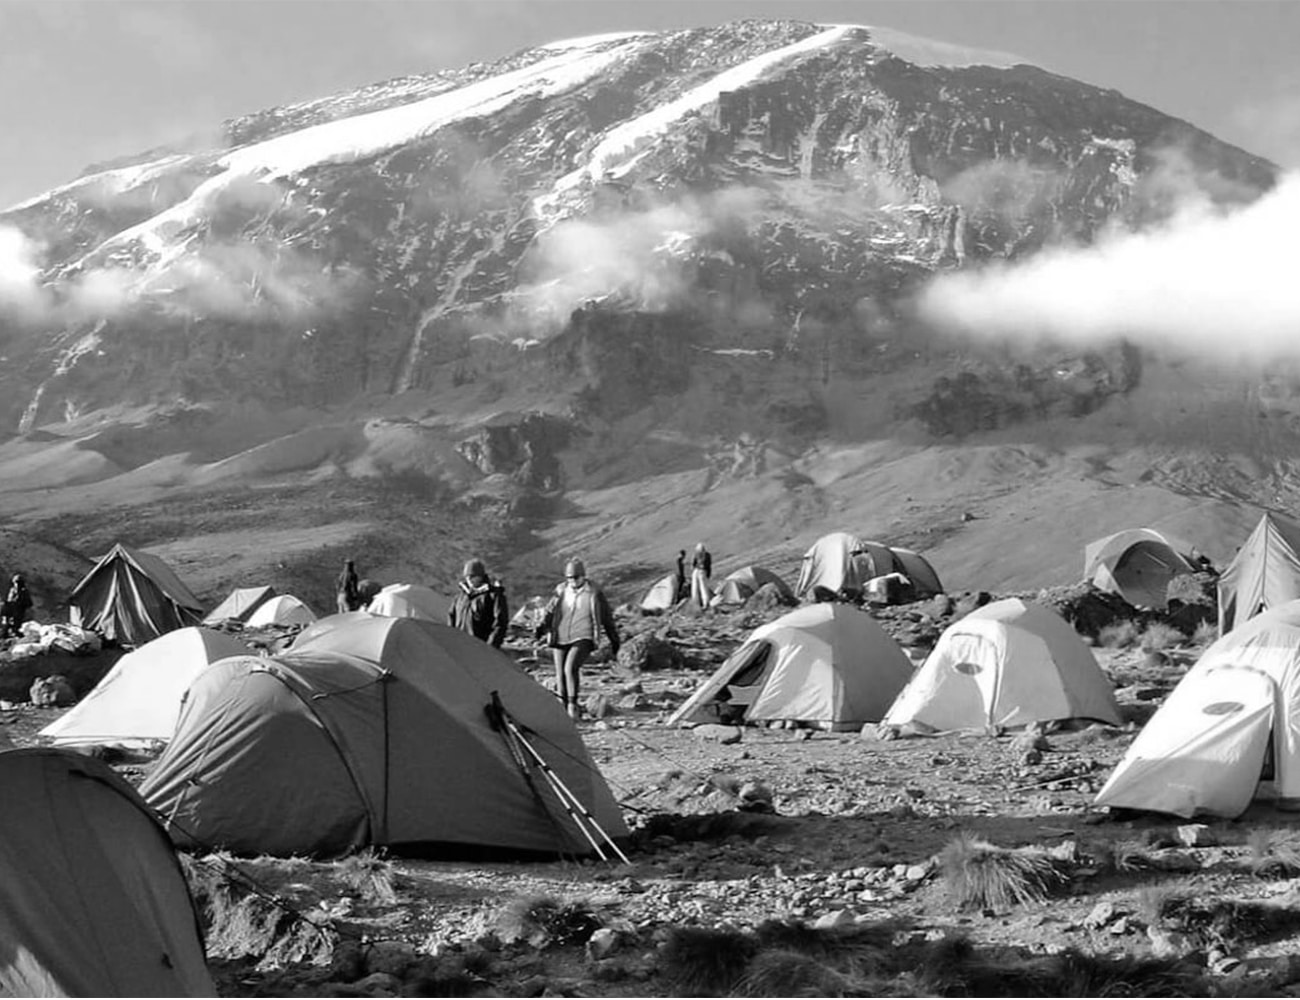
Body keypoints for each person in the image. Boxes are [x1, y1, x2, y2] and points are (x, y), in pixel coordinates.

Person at [535, 558, 620, 719]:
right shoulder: (561, 591)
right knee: (560, 673)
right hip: (560, 636)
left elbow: (607, 617)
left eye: (576, 577)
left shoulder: (594, 593)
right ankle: (563, 707)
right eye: (569, 578)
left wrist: (614, 639)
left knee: (570, 668)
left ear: (583, 576)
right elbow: (550, 610)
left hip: (583, 636)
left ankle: (573, 706)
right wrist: (542, 627)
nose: (573, 581)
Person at [448, 558, 509, 648]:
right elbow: (451, 617)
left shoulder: (493, 596)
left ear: (481, 576)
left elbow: (500, 623)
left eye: (473, 576)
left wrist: (490, 647)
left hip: (481, 648)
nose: (470, 580)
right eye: (467, 577)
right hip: (459, 647)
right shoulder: (460, 598)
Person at [0, 573, 32, 639]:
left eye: (19, 583)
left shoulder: (24, 592)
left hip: (19, 613)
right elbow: (9, 600)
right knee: (6, 625)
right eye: (16, 582)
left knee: (16, 627)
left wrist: (21, 604)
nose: (17, 584)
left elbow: (29, 603)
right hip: (10, 612)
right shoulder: (12, 590)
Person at [690, 542, 713, 609]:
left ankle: (695, 603)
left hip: (696, 571)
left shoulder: (695, 554)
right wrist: (708, 574)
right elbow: (708, 566)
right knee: (703, 587)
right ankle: (705, 603)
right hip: (702, 571)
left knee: (694, 588)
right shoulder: (707, 555)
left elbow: (692, 564)